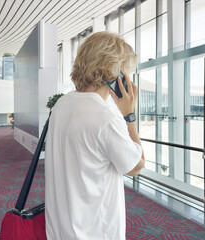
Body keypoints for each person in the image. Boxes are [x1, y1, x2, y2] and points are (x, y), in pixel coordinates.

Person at [45, 31, 145, 240]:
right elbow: (135, 167)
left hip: (60, 229)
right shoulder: (105, 117)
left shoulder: (61, 105)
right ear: (113, 72)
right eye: (126, 72)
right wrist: (129, 117)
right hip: (94, 233)